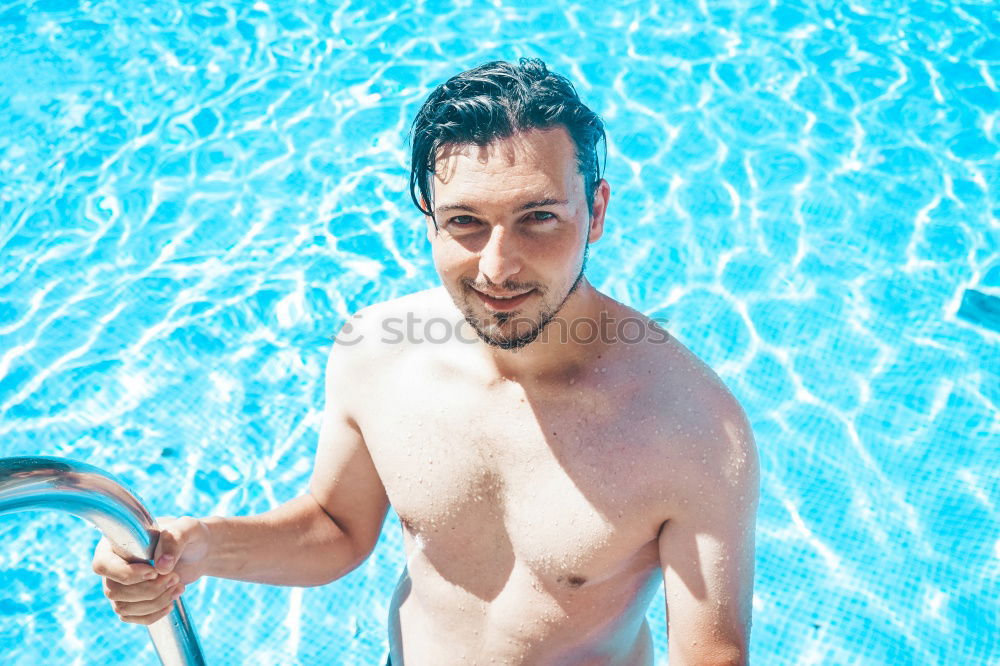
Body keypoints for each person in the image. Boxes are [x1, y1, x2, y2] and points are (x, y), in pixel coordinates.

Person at [92, 58, 759, 666]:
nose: (499, 267)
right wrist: (201, 549)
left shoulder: (692, 431)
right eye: (466, 221)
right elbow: (336, 529)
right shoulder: (378, 355)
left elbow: (711, 655)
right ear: (429, 218)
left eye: (539, 218)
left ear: (597, 212)